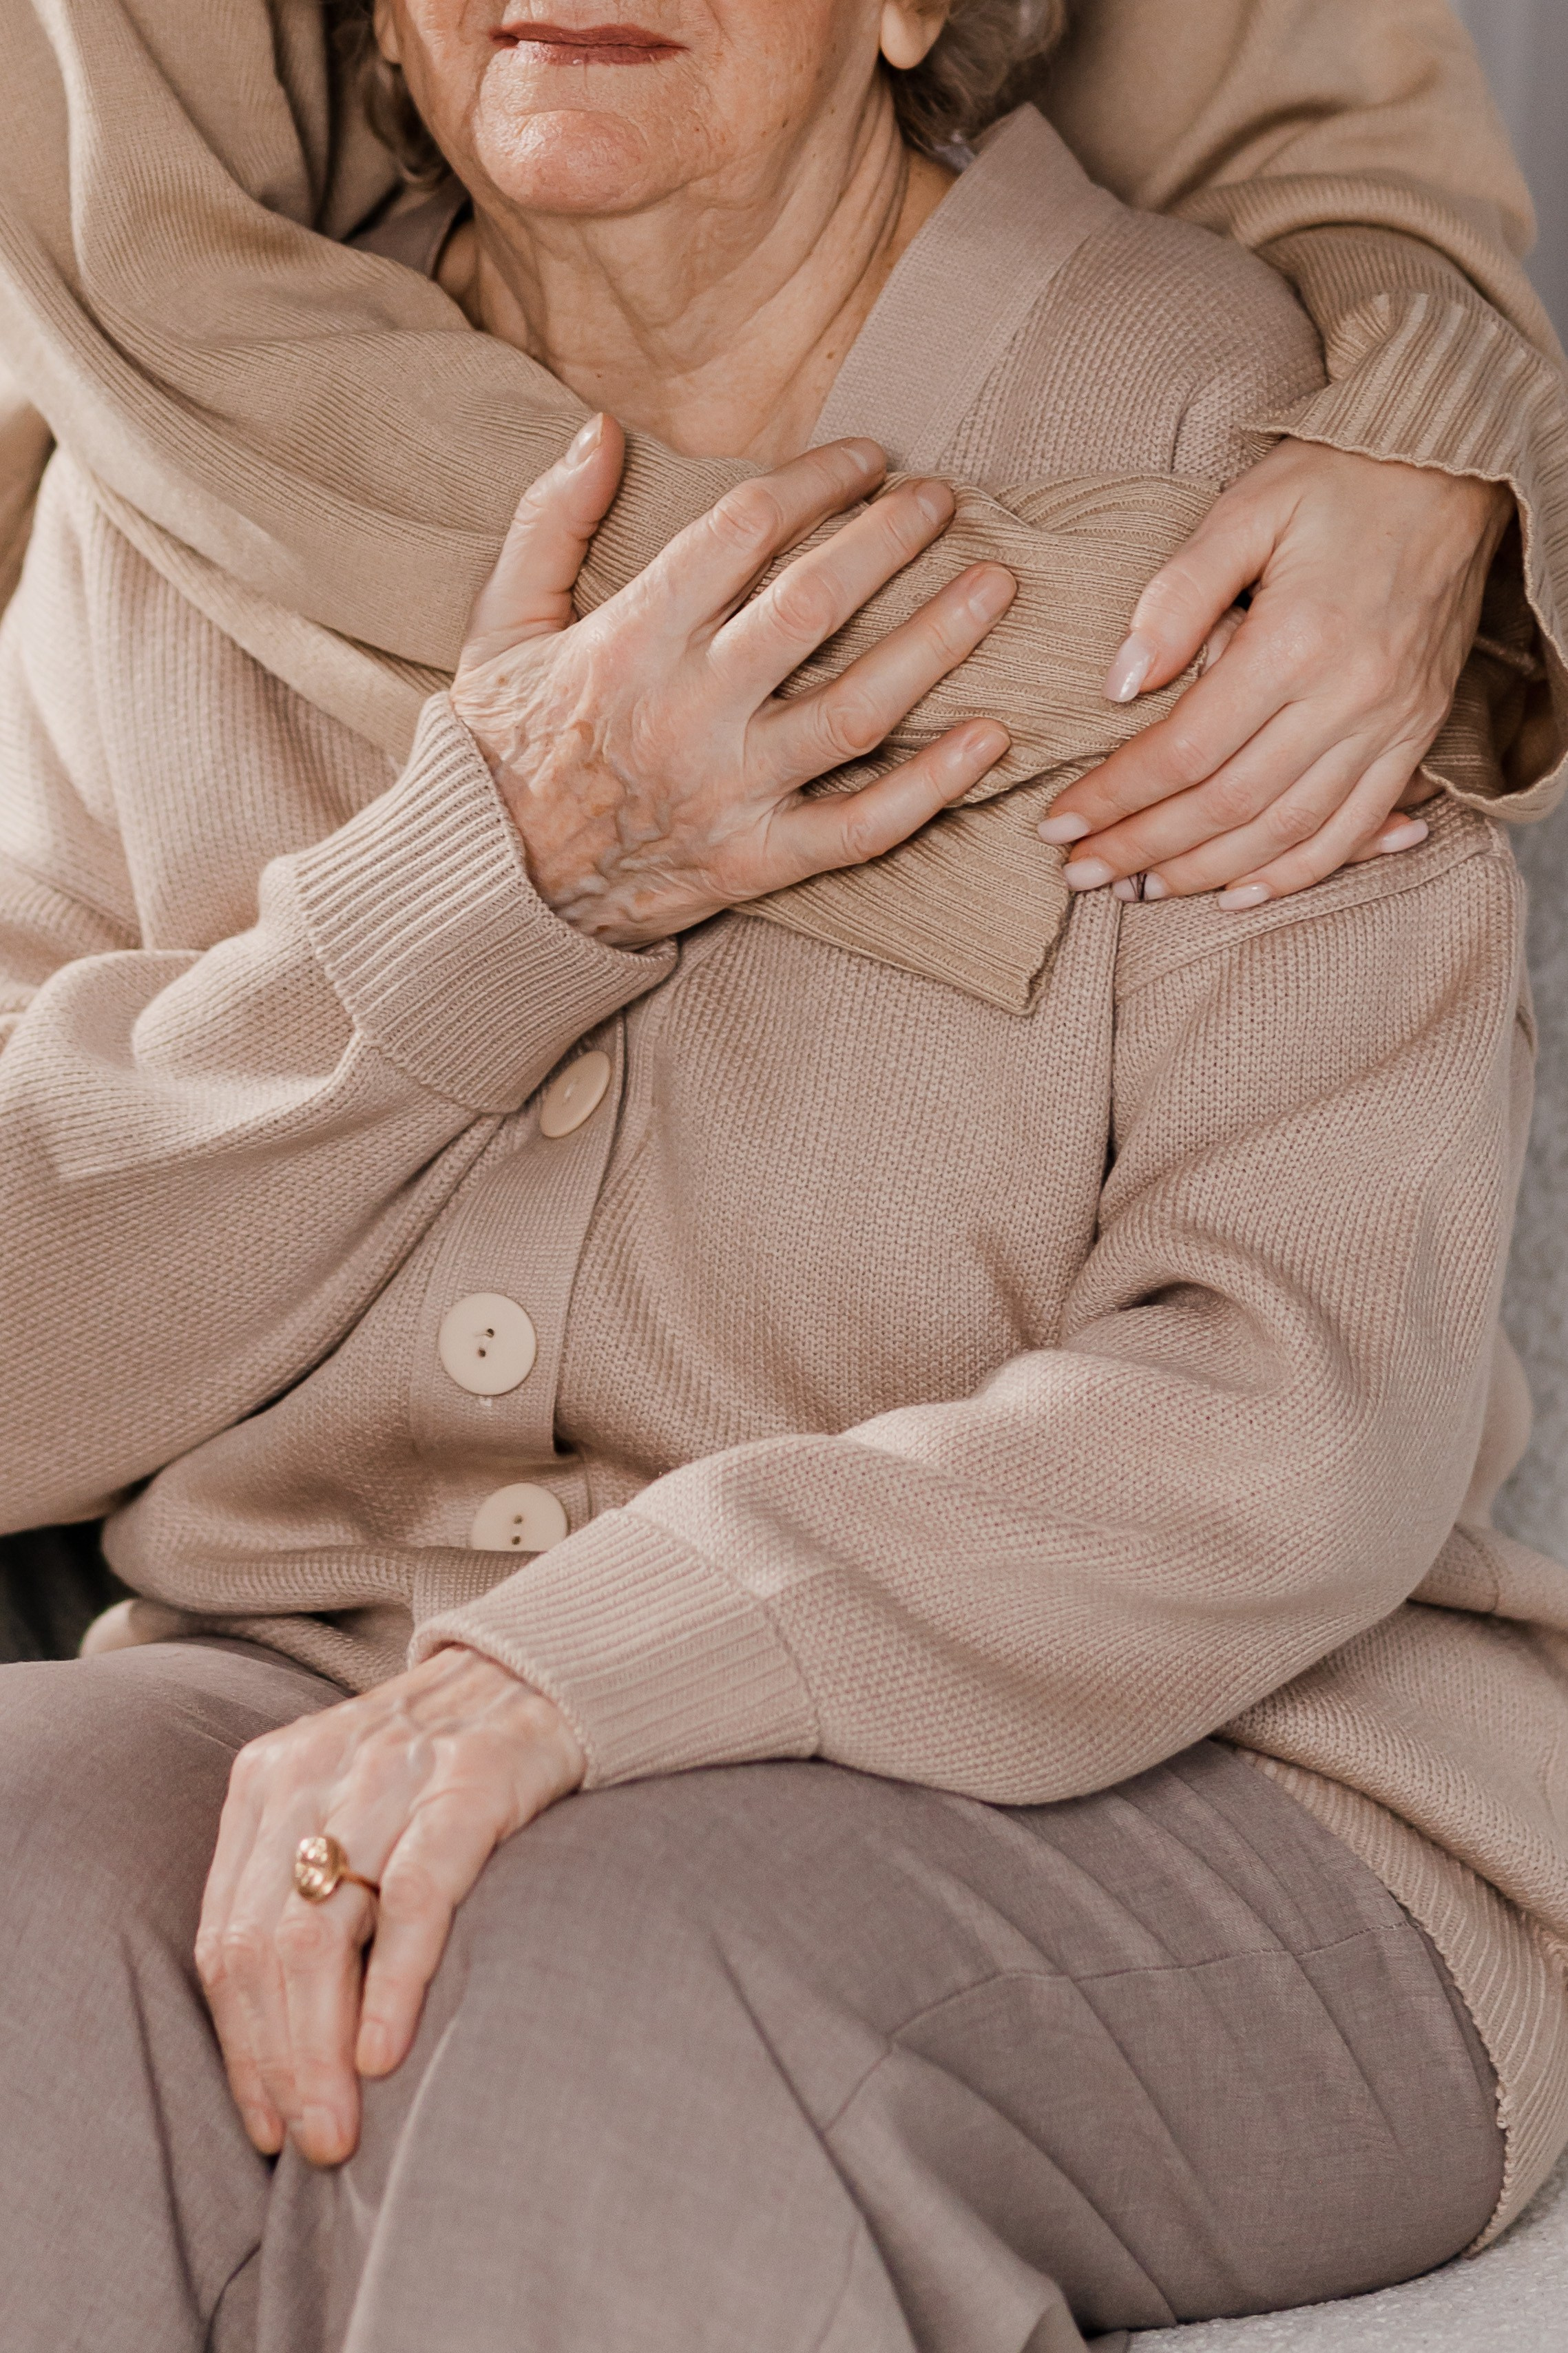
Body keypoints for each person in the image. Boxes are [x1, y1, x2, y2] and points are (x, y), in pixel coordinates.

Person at [0, 4, 1565, 2350]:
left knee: (608, 1995)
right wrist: (492, 888)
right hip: (316, 1688)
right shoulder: (185, 471)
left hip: (1219, 1773)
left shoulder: (1229, 479)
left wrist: (590, 1667)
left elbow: (1304, 1407)